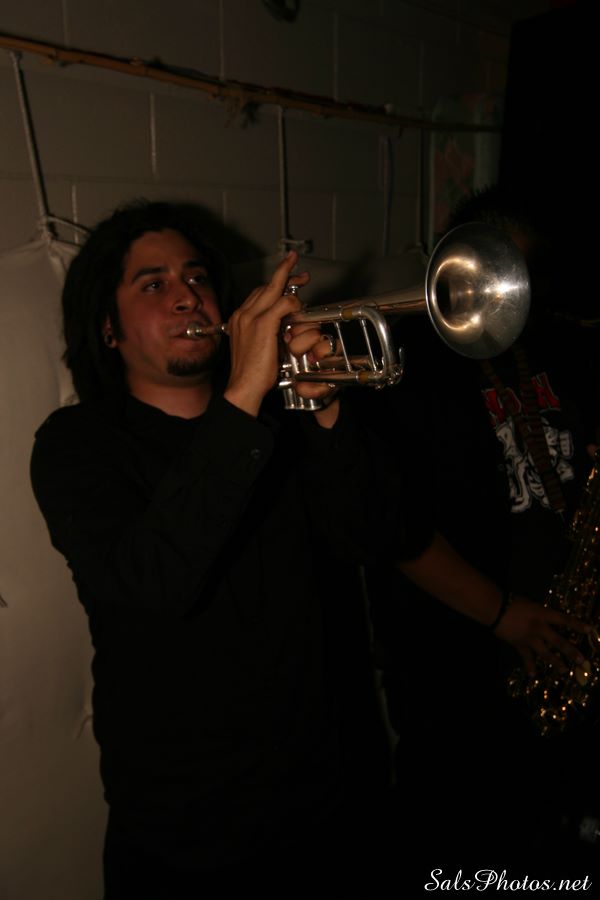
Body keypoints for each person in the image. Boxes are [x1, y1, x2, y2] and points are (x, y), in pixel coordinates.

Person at [30, 198, 588, 895]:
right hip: (189, 830)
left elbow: (383, 535)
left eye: (197, 277)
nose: (188, 296)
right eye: (154, 284)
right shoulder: (77, 445)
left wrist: (323, 405)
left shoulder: (280, 422)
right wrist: (244, 391)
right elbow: (156, 583)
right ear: (108, 328)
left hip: (331, 804)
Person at [363, 185, 600, 876]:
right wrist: (504, 616)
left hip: (560, 642)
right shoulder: (403, 362)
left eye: (519, 279)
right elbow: (392, 527)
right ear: (453, 264)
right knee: (459, 848)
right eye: (490, 274)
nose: (503, 298)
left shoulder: (560, 342)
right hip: (456, 672)